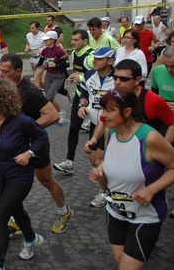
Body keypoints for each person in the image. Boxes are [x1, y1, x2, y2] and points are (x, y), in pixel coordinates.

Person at [89, 87, 174, 269]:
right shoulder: (111, 131)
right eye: (103, 110)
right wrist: (100, 169)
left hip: (145, 216)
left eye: (109, 111)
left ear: (127, 112)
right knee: (119, 261)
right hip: (115, 211)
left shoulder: (150, 138)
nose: (103, 116)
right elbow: (112, 157)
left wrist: (151, 190)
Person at [0, 79, 48, 270]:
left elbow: (41, 137)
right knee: (16, 209)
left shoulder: (22, 121)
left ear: (4, 101)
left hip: (20, 175)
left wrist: (29, 153)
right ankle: (31, 239)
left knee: (0, 216)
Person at [0, 54, 73, 234]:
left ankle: (64, 212)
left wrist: (25, 129)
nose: (0, 74)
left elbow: (52, 115)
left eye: (5, 71)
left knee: (46, 181)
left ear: (18, 72)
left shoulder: (29, 90)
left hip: (35, 144)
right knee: (12, 184)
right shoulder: (4, 86)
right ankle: (17, 219)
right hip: (15, 146)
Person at [85, 59, 174, 155]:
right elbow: (103, 120)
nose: (117, 82)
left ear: (137, 80)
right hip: (121, 149)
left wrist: (162, 148)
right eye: (115, 78)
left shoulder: (153, 100)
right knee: (96, 159)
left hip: (144, 155)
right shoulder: (113, 97)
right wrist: (94, 139)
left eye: (123, 79)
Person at [77, 47, 116, 207]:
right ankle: (111, 185)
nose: (95, 61)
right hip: (94, 122)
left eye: (99, 59)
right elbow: (85, 94)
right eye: (94, 58)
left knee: (100, 159)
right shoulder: (89, 75)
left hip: (110, 126)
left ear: (110, 61)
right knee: (94, 160)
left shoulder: (117, 78)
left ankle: (104, 192)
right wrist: (82, 105)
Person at [53, 29, 94, 174]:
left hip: (93, 98)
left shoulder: (91, 56)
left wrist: (81, 78)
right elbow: (80, 73)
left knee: (94, 135)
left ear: (85, 41)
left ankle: (99, 167)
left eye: (76, 40)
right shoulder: (76, 53)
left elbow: (99, 77)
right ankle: (69, 162)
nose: (72, 42)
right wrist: (74, 77)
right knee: (74, 128)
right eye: (72, 39)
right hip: (79, 95)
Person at [151, 46, 174, 217]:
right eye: (168, 66)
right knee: (157, 156)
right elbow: (154, 93)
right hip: (162, 119)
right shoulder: (158, 72)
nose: (170, 70)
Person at [37, 31, 69, 124]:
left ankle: (60, 113)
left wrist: (56, 65)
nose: (45, 41)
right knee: (48, 96)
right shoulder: (45, 50)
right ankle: (58, 112)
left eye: (47, 40)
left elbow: (67, 64)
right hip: (49, 76)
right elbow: (41, 61)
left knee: (50, 97)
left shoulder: (59, 51)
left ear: (53, 40)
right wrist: (38, 64)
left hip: (58, 76)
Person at [25, 20, 46, 89]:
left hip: (41, 59)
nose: (31, 30)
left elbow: (48, 46)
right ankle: (49, 91)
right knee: (39, 81)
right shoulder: (28, 35)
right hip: (32, 59)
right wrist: (27, 48)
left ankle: (39, 97)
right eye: (30, 28)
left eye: (33, 28)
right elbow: (27, 44)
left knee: (35, 79)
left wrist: (43, 51)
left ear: (38, 28)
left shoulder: (43, 36)